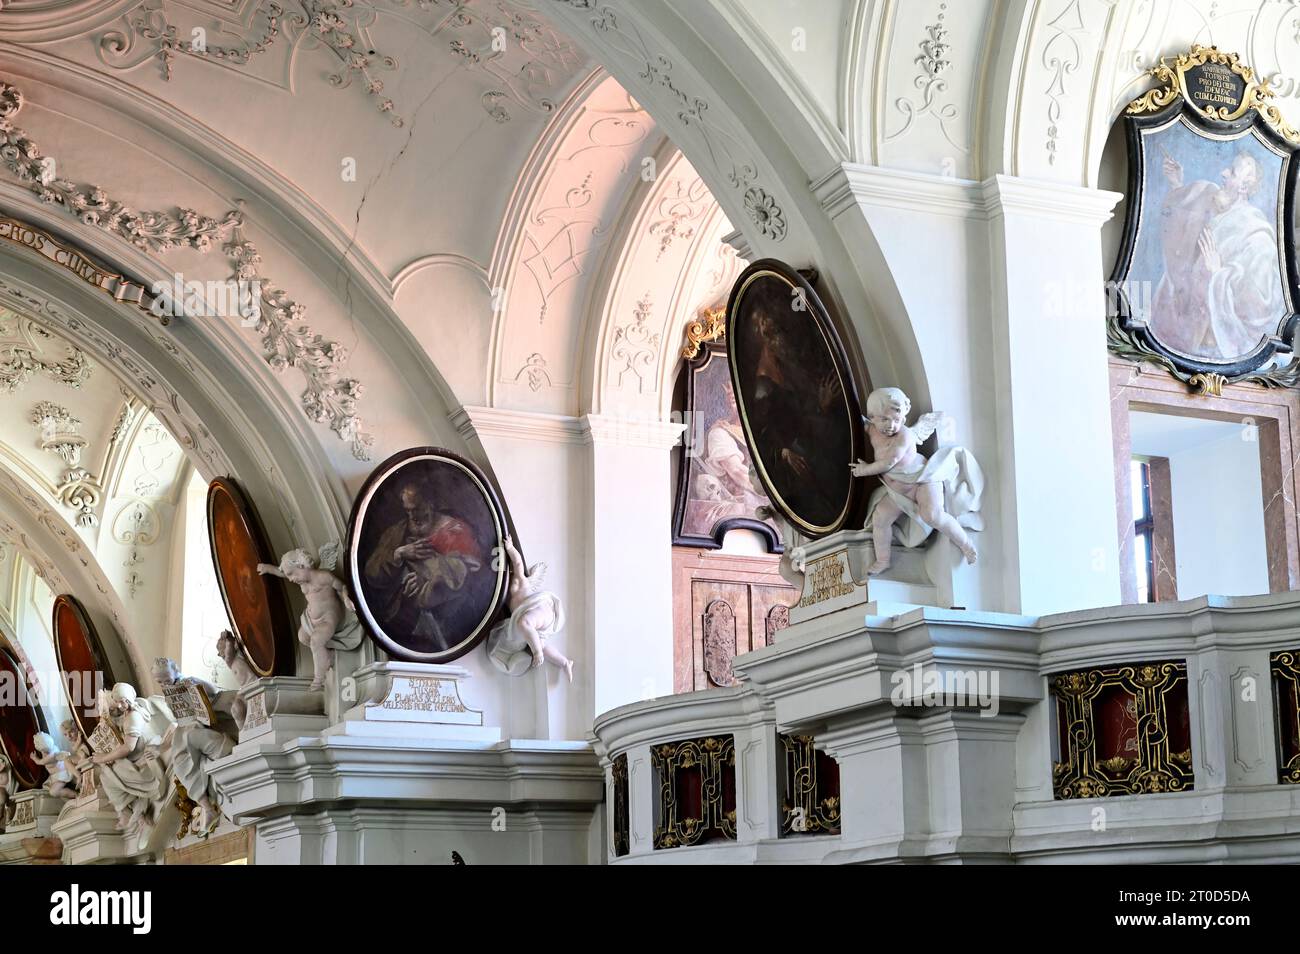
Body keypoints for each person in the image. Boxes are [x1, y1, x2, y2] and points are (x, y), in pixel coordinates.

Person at [1149, 149, 1284, 361]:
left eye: (1231, 171)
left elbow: (1260, 306)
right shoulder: (1219, 212)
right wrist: (1176, 185)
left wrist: (1219, 274)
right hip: (1189, 339)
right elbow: (1182, 248)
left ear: (1243, 187)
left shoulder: (1257, 234)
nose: (1222, 173)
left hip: (1215, 348)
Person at [850, 387, 983, 574]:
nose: (891, 425)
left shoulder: (905, 435)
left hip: (923, 481)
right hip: (898, 492)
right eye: (884, 419)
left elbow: (889, 462)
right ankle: (883, 560)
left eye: (897, 420)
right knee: (880, 519)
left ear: (903, 418)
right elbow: (855, 420)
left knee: (933, 515)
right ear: (872, 418)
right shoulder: (872, 430)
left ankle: (966, 545)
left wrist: (865, 470)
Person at [363, 482, 484, 649]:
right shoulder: (397, 532)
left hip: (446, 619)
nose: (412, 516)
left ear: (430, 503)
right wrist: (399, 554)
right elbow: (372, 574)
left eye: (417, 508)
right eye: (408, 511)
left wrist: (428, 580)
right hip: (404, 619)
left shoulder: (456, 531)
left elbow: (472, 578)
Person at [258, 550, 357, 690]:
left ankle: (319, 679)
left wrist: (347, 598)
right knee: (302, 637)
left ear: (302, 566)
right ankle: (328, 656)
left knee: (316, 641)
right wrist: (267, 568)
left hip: (328, 618)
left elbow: (342, 586)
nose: (291, 579)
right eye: (289, 575)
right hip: (311, 618)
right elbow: (282, 573)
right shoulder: (302, 582)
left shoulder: (323, 576)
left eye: (292, 574)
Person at [91, 683, 173, 830]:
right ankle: (133, 811)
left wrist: (103, 757)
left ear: (130, 697)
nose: (121, 705)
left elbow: (128, 747)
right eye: (118, 702)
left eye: (123, 701)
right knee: (108, 772)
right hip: (139, 756)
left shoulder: (133, 718)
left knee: (107, 774)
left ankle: (129, 811)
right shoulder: (135, 709)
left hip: (144, 762)